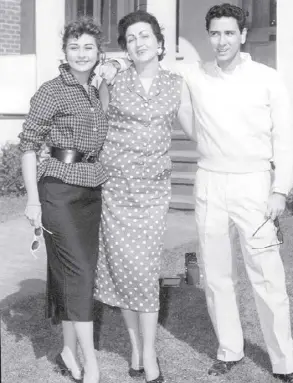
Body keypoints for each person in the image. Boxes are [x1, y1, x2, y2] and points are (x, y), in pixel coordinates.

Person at [100, 3, 293, 383]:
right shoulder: (192, 77)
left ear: (242, 35)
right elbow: (148, 67)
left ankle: (284, 360)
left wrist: (280, 189)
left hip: (255, 183)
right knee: (215, 274)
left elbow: (285, 137)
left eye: (229, 33)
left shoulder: (267, 78)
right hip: (210, 181)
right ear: (208, 36)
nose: (222, 40)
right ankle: (229, 349)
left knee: (266, 274)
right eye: (215, 33)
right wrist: (114, 65)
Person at [94, 10, 194, 383]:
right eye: (131, 38)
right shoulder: (114, 79)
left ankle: (148, 355)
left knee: (143, 272)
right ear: (126, 47)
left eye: (145, 36)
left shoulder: (177, 84)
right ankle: (137, 350)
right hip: (116, 191)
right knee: (124, 272)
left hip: (152, 193)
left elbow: (196, 129)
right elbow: (96, 123)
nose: (138, 42)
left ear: (159, 42)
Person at [19, 18, 109, 383]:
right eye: (75, 47)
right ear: (65, 52)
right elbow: (28, 146)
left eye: (88, 47)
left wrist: (113, 70)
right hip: (57, 189)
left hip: (91, 191)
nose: (82, 53)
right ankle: (91, 362)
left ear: (98, 52)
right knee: (81, 274)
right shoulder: (51, 91)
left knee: (77, 276)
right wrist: (32, 201)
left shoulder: (96, 90)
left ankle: (68, 350)